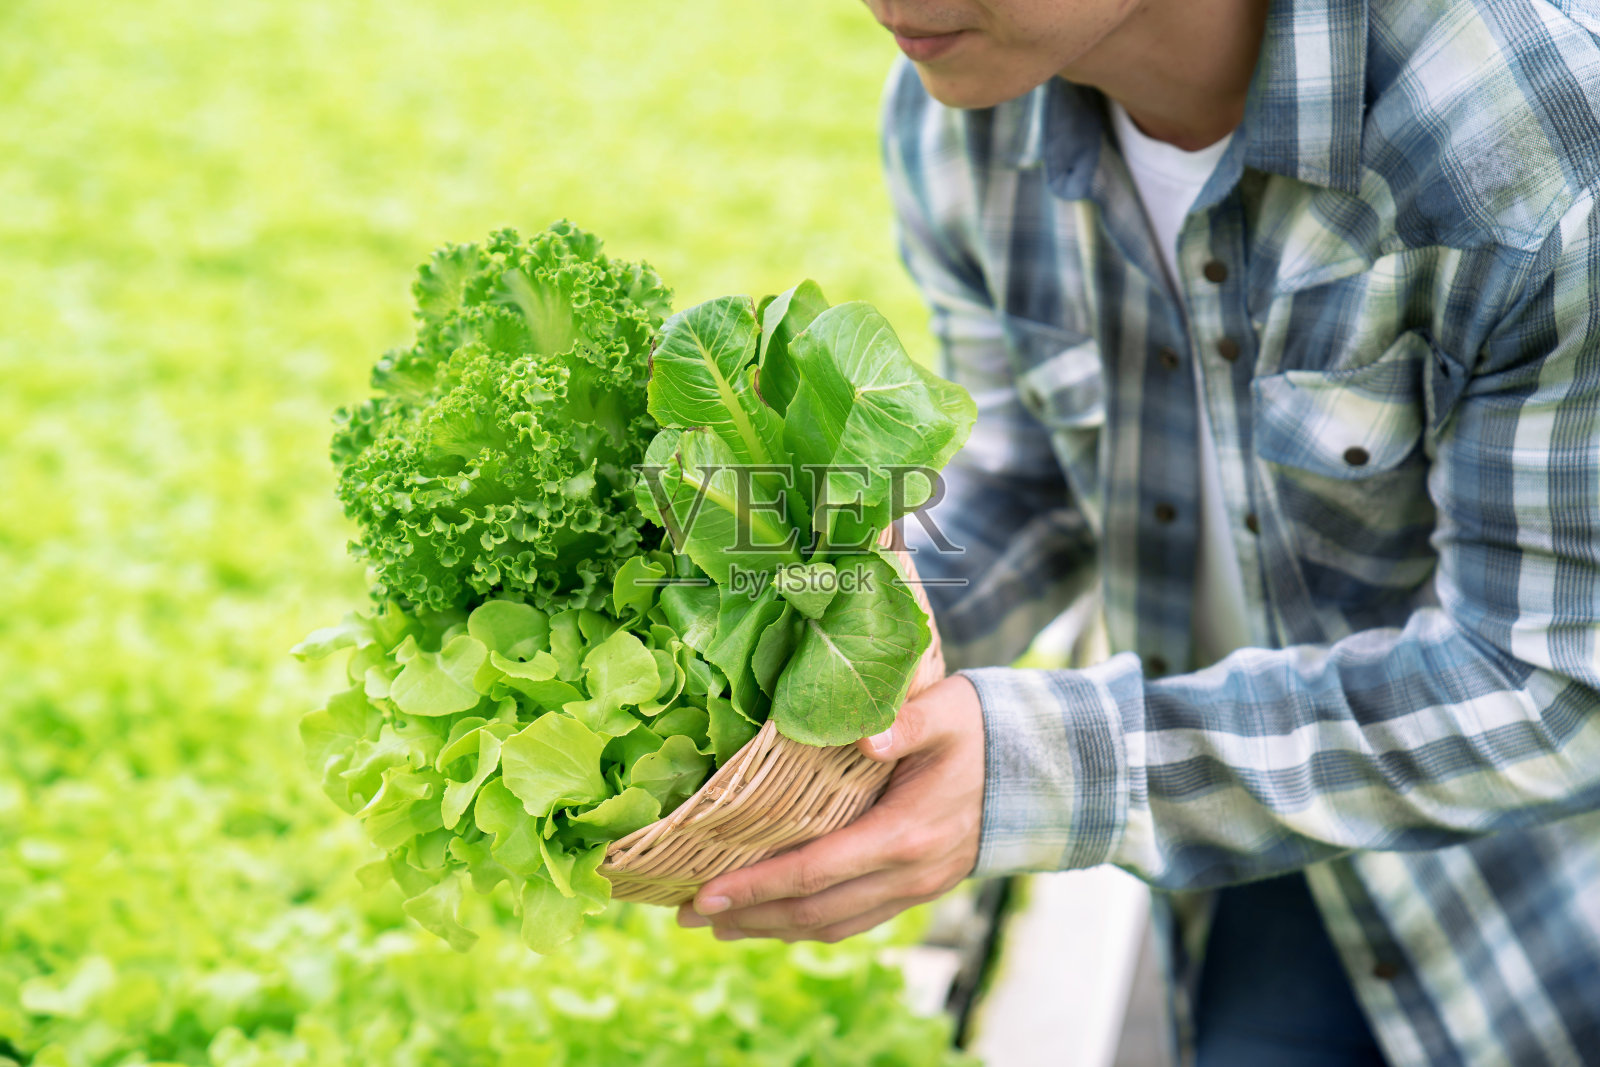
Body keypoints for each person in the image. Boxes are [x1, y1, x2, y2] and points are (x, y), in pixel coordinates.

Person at [676, 0, 1600, 1062]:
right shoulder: (965, 110)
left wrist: (1052, 768)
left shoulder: (1530, 141)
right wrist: (830, 646)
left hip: (1524, 908)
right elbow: (1035, 471)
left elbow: (1554, 685)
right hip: (1229, 825)